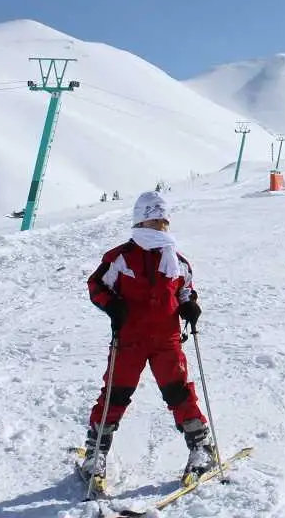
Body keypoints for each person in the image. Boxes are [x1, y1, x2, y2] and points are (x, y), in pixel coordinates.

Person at [81, 191, 214, 486]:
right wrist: (112, 305)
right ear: (141, 222)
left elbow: (185, 289)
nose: (161, 228)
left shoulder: (177, 260)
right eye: (155, 221)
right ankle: (95, 453)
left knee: (178, 393)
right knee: (115, 394)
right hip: (129, 339)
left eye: (164, 222)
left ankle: (200, 447)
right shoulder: (120, 257)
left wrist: (189, 304)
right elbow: (96, 285)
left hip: (166, 340)